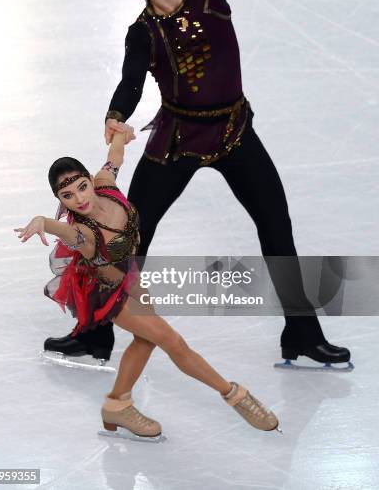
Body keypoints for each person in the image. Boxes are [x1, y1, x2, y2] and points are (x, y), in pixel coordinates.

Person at [46, 0, 351, 369]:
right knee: (129, 238)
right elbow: (130, 82)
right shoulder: (142, 32)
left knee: (276, 226)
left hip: (234, 132)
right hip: (177, 141)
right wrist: (116, 114)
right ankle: (96, 333)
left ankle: (302, 333)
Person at [14, 131, 280, 437]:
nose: (80, 199)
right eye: (68, 196)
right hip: (108, 294)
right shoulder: (83, 233)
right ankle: (235, 395)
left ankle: (117, 405)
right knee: (173, 342)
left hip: (130, 277)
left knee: (147, 339)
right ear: (60, 200)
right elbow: (63, 230)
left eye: (82, 187)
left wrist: (119, 134)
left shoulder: (106, 184)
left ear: (91, 179)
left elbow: (115, 158)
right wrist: (42, 221)